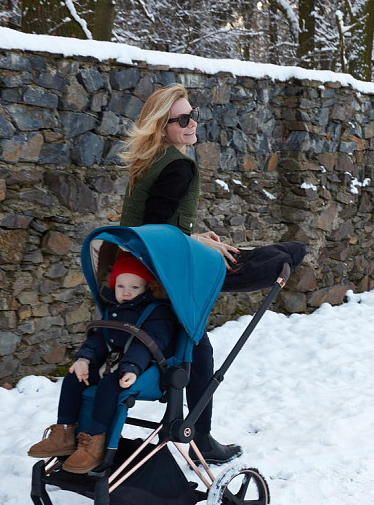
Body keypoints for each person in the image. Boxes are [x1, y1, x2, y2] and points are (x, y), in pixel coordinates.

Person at [119, 83, 306, 464]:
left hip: (141, 268)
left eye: (194, 115)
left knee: (197, 348)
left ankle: (196, 433)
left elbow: (154, 223)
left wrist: (196, 237)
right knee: (198, 350)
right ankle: (199, 436)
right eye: (182, 119)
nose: (192, 123)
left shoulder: (150, 160)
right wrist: (196, 245)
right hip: (164, 274)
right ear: (162, 126)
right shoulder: (177, 166)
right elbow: (155, 228)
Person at [28, 251, 177, 474]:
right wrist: (84, 359)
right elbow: (99, 339)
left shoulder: (157, 312)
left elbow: (146, 344)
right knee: (74, 378)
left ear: (147, 287)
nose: (126, 292)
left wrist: (131, 368)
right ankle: (65, 432)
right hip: (114, 364)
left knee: (110, 384)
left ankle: (95, 441)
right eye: (120, 286)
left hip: (148, 369)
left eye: (134, 287)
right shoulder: (113, 310)